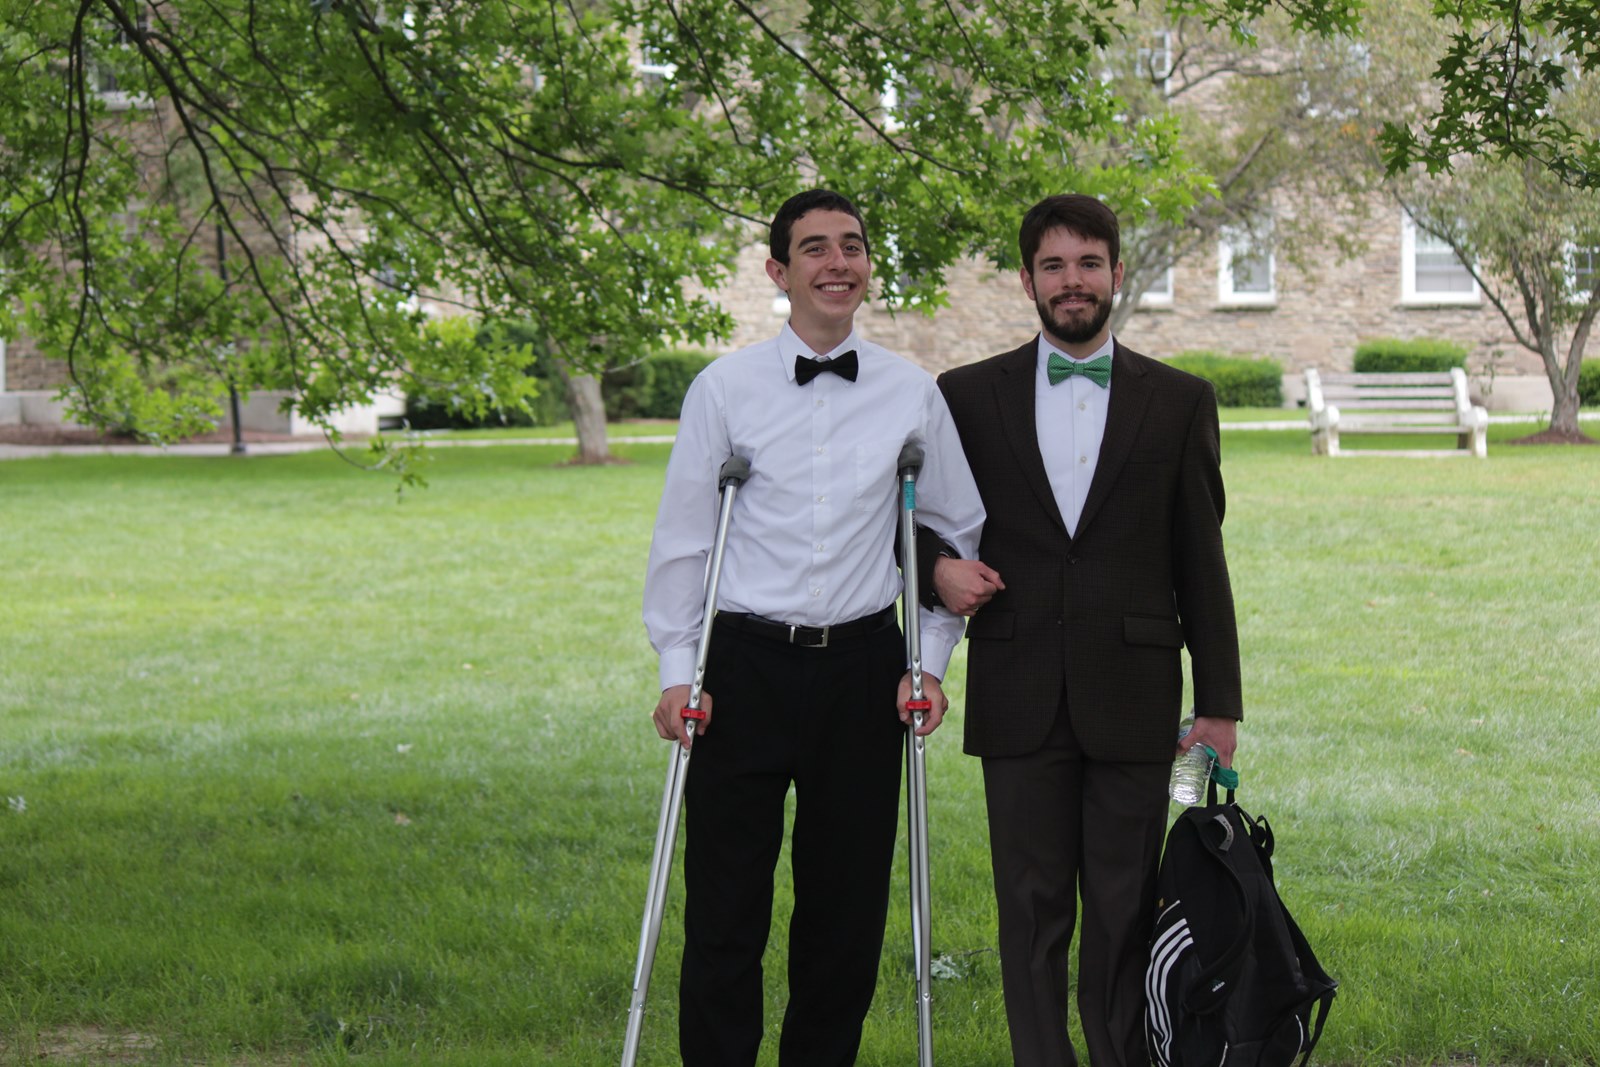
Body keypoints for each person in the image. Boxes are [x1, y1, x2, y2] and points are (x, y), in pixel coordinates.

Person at [642, 188, 984, 1067]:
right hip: (742, 667)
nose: (839, 262)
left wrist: (928, 663)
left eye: (853, 246)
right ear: (778, 270)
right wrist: (678, 670)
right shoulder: (724, 389)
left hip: (863, 669)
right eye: (816, 248)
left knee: (844, 914)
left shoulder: (912, 393)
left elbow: (950, 533)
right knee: (725, 909)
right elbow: (685, 538)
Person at [927, 193, 1243, 1067]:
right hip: (1017, 687)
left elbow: (1202, 560)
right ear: (1026, 279)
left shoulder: (1179, 401)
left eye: (1089, 263)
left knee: (1123, 909)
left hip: (1134, 694)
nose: (1073, 281)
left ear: (1117, 272)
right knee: (1029, 912)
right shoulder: (965, 395)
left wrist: (1219, 703)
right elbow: (916, 523)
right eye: (1054, 265)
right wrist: (937, 569)